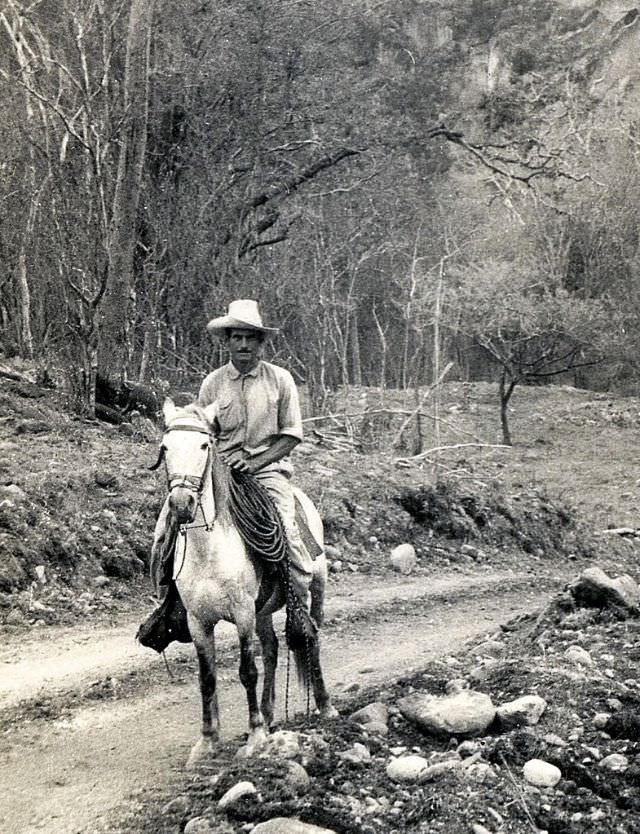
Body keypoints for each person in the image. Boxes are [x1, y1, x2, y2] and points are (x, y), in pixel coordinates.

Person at [198, 298, 314, 606]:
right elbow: (203, 434)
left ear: (261, 343)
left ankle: (299, 604)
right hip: (221, 472)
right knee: (177, 524)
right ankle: (171, 604)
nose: (244, 344)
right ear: (228, 342)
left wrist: (255, 461)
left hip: (267, 472)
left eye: (251, 338)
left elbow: (292, 435)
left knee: (286, 531)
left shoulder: (280, 380)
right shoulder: (213, 384)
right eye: (238, 337)